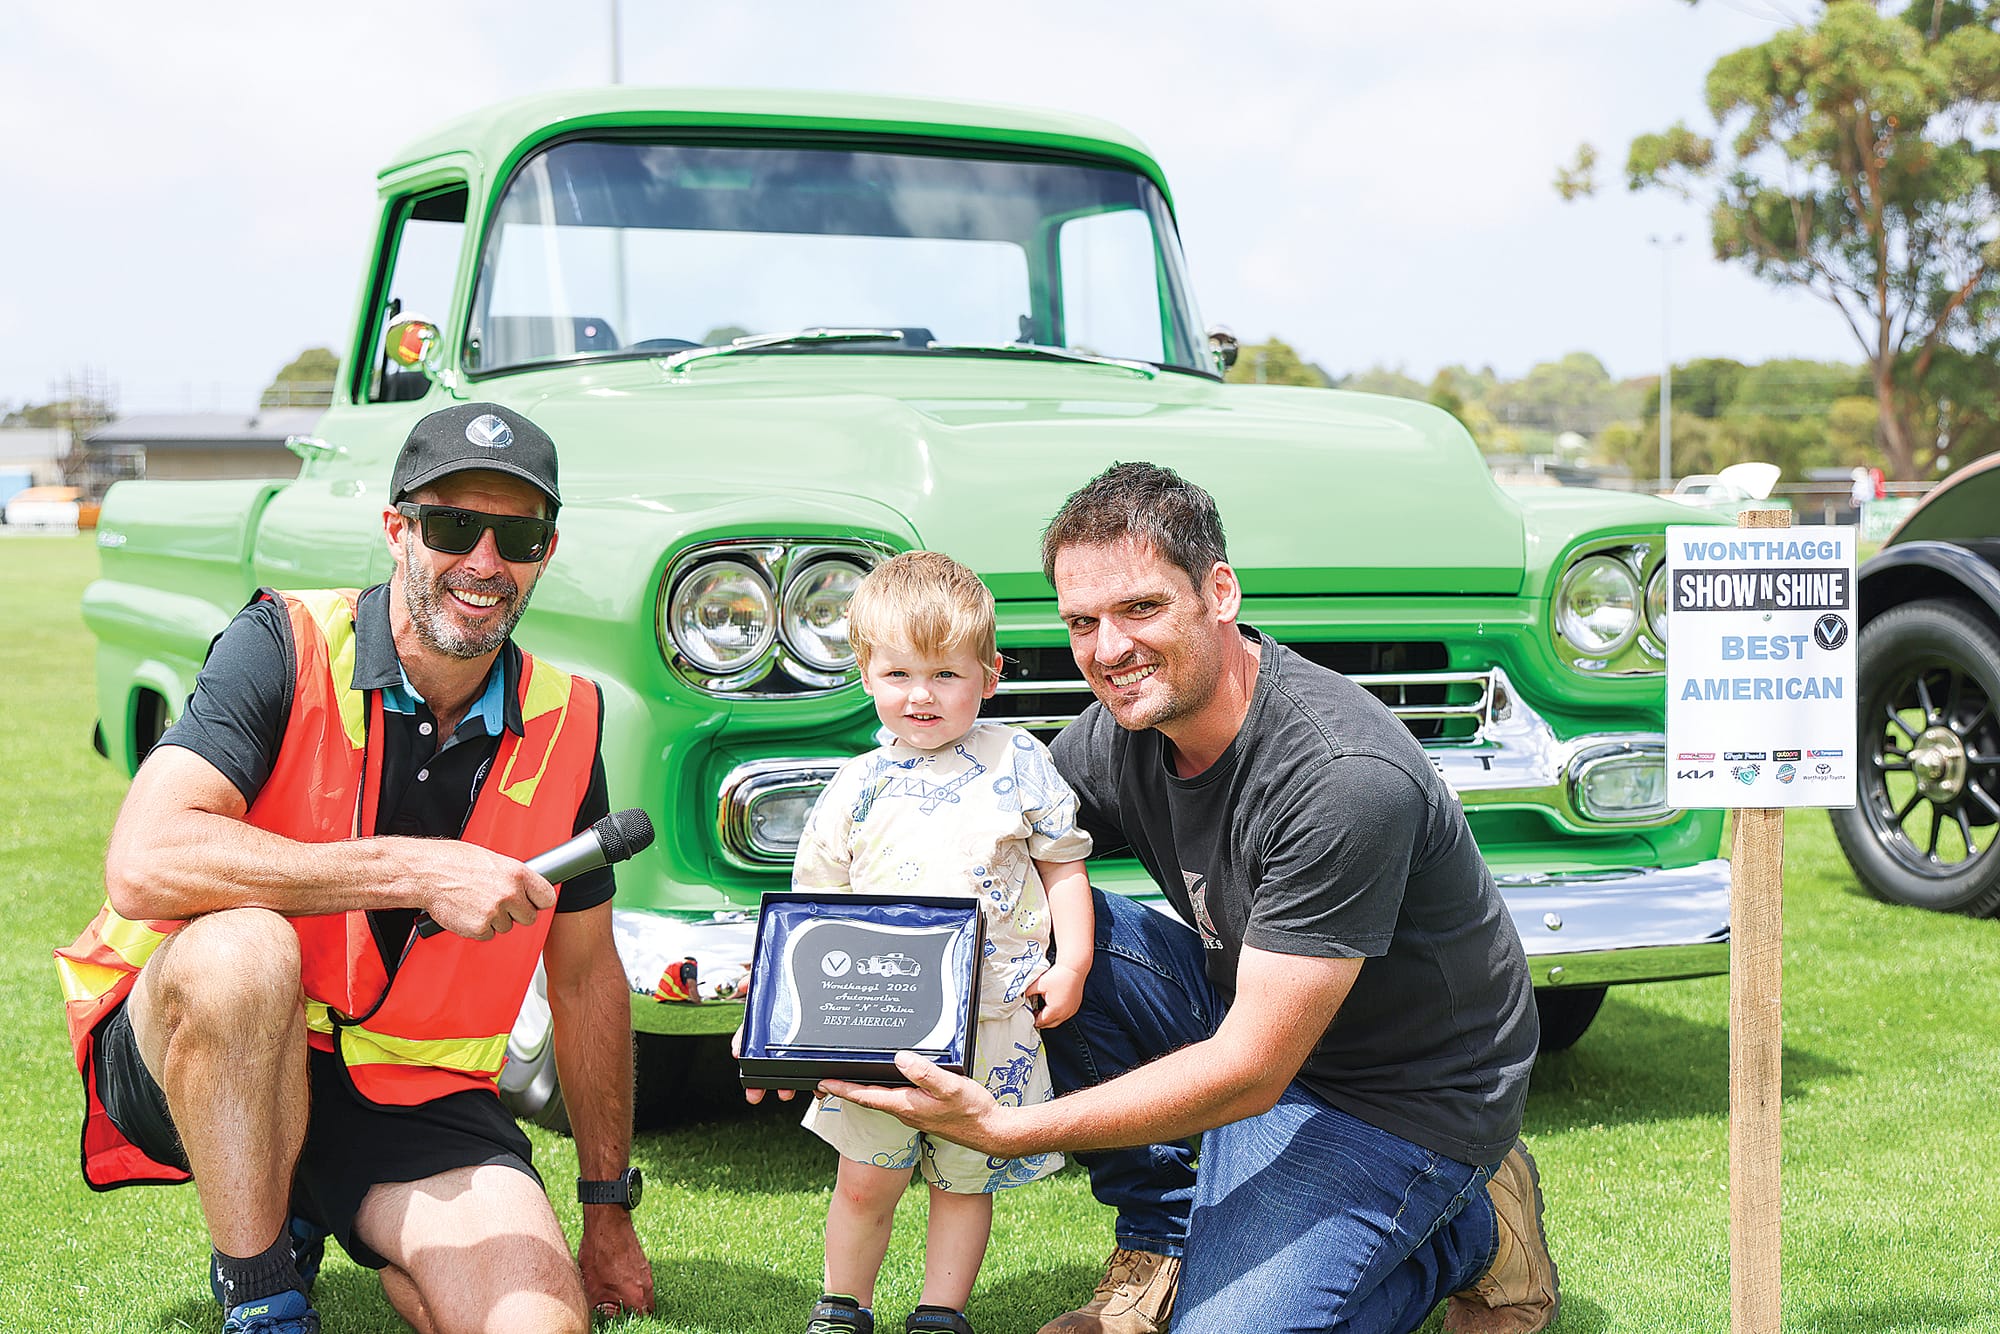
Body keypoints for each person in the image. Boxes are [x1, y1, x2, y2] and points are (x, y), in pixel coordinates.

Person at [826, 463, 1558, 1334]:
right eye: (1083, 622)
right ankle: (1162, 1241)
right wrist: (807, 1010)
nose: (1109, 649)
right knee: (1046, 928)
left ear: (1219, 593)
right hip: (1245, 1011)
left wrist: (1011, 1129)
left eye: (1140, 608)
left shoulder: (1343, 776)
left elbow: (1251, 1069)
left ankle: (1473, 1232)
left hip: (1396, 1096)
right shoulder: (1122, 730)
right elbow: (972, 846)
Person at [55, 402, 654, 1334]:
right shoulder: (281, 642)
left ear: (546, 551)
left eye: (518, 537)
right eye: (452, 527)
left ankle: (325, 1204)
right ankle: (263, 1292)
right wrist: (417, 871)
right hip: (210, 1046)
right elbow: (144, 860)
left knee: (538, 1324)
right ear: (396, 530)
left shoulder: (568, 720)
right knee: (246, 953)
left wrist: (607, 1210)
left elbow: (584, 979)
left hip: (413, 1096)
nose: (485, 562)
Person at [746, 551, 1095, 1334]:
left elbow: (1063, 865)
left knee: (963, 1181)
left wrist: (1072, 961)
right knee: (865, 1176)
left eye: (946, 674)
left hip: (993, 1020)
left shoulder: (1019, 761)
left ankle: (941, 1311)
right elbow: (812, 916)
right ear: (865, 674)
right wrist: (775, 1025)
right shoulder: (856, 784)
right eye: (898, 673)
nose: (921, 695)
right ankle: (844, 1304)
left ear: (989, 676)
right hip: (872, 1028)